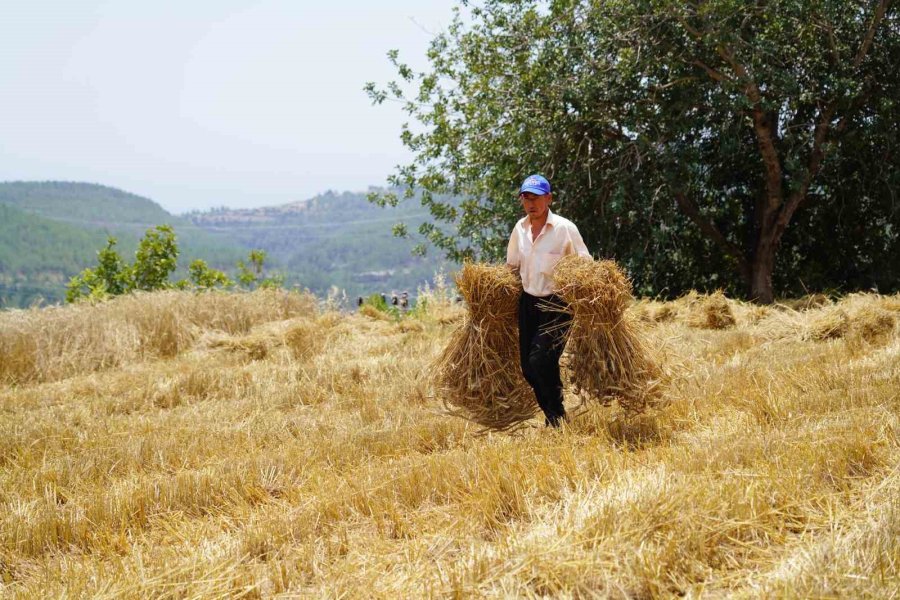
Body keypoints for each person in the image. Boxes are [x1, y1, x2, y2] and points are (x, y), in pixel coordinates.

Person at [506, 174, 591, 427]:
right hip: (528, 301)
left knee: (540, 359)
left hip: (558, 304)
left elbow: (585, 265)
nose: (530, 203)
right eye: (526, 198)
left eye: (536, 197)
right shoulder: (519, 229)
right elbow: (511, 266)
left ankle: (556, 418)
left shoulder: (565, 229)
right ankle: (554, 414)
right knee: (528, 368)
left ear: (549, 198)